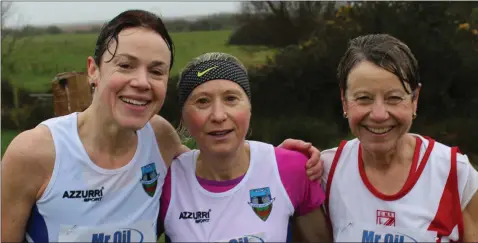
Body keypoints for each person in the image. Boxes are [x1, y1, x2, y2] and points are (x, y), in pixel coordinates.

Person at [1, 10, 324, 243]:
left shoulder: (159, 138)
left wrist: (276, 163)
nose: (141, 82)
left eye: (156, 71)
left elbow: (216, 170)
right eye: (125, 65)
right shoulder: (36, 153)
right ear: (93, 70)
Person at [320, 33, 478, 242]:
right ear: (344, 101)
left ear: (414, 100)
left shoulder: (454, 172)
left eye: (394, 98)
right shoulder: (325, 171)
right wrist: (286, 160)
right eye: (363, 98)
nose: (379, 114)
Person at [159, 52, 331, 242]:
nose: (218, 115)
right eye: (202, 101)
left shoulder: (293, 168)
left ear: (249, 108)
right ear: (183, 116)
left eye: (231, 98)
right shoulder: (166, 178)